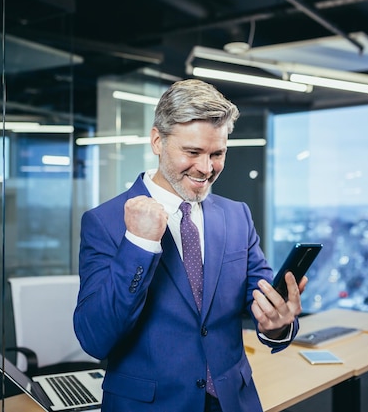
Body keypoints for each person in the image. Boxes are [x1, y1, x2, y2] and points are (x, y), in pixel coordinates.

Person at [73, 79, 307, 412]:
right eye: (192, 152)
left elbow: (264, 301)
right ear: (157, 141)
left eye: (217, 153)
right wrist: (139, 243)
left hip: (232, 402)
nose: (206, 168)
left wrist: (277, 322)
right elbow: (95, 338)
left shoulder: (236, 216)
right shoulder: (104, 221)